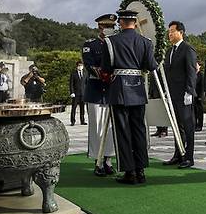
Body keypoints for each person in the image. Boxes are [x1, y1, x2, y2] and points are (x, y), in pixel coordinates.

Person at [104, 9, 158, 185]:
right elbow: (151, 66)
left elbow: (106, 67)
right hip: (137, 89)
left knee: (123, 131)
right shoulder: (145, 42)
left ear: (120, 22)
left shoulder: (110, 42)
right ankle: (141, 170)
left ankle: (130, 172)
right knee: (139, 130)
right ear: (135, 22)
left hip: (119, 89)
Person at [82, 13, 117, 176]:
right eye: (107, 26)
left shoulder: (116, 44)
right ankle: (98, 160)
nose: (109, 29)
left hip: (112, 91)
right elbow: (90, 65)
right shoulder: (91, 45)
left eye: (112, 26)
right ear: (100, 27)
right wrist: (107, 75)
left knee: (110, 128)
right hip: (96, 91)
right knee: (97, 128)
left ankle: (108, 160)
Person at [162, 21, 198, 169]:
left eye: (172, 31)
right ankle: (178, 154)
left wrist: (189, 91)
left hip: (184, 95)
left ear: (180, 32)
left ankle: (189, 157)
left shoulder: (187, 49)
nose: (169, 34)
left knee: (188, 126)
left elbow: (191, 72)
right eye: (169, 31)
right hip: (172, 95)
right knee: (176, 126)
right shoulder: (170, 51)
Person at [69, 61, 87, 125]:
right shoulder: (73, 74)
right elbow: (71, 84)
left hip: (83, 93)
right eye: (79, 65)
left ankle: (82, 120)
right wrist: (72, 92)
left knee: (82, 108)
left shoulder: (85, 73)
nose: (80, 67)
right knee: (74, 108)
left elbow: (86, 84)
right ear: (76, 66)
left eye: (81, 65)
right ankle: (73, 121)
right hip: (76, 94)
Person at [194, 61, 204, 131]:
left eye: (197, 65)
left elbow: (202, 86)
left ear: (199, 66)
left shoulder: (201, 74)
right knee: (194, 111)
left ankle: (199, 125)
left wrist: (200, 96)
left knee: (199, 112)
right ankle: (194, 124)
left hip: (199, 95)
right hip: (193, 95)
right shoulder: (193, 74)